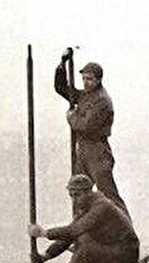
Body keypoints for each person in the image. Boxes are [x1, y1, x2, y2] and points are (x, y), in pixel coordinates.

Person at [54, 55, 130, 218]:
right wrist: (62, 65)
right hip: (84, 150)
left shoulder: (102, 100)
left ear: (98, 80)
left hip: (97, 151)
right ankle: (80, 232)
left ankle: (125, 230)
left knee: (108, 194)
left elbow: (85, 126)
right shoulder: (86, 95)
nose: (85, 82)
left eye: (89, 79)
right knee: (79, 192)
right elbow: (61, 88)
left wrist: (70, 116)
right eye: (83, 78)